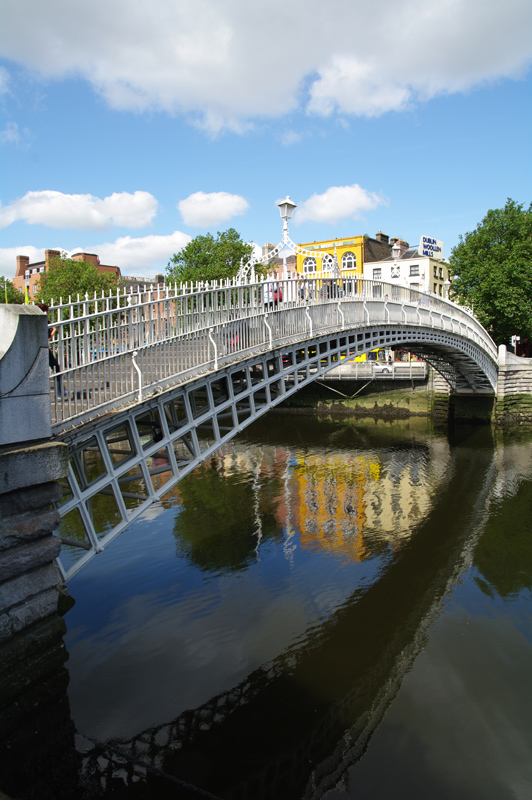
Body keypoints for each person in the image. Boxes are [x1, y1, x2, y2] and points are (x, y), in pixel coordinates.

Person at [36, 303, 62, 394]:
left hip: (37, 348)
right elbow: (47, 337)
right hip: (43, 348)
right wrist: (54, 329)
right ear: (45, 311)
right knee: (56, 367)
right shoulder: (44, 320)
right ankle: (59, 392)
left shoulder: (35, 320)